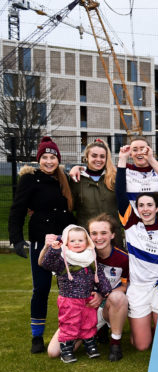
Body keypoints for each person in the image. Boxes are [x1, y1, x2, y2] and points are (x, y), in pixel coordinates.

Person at [8, 136, 76, 353]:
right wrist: (17, 239)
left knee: (72, 287)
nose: (49, 161)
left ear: (58, 160)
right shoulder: (30, 179)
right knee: (41, 288)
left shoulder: (64, 179)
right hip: (42, 242)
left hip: (65, 240)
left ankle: (74, 332)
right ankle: (37, 337)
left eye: (52, 157)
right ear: (39, 159)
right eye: (45, 157)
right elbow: (17, 210)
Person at [116, 145, 158, 351]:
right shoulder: (131, 224)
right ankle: (144, 327)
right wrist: (122, 160)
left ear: (157, 208)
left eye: (150, 205)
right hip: (139, 288)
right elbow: (120, 194)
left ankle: (157, 318)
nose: (145, 209)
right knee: (141, 346)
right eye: (141, 205)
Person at [46, 214, 130, 362]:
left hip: (109, 306)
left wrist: (101, 295)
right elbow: (46, 262)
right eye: (94, 233)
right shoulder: (78, 254)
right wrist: (48, 246)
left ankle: (115, 344)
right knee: (54, 352)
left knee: (118, 297)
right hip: (84, 307)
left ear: (112, 235)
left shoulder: (123, 258)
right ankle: (94, 334)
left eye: (103, 233)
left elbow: (125, 286)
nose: (98, 238)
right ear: (88, 236)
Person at [38, 225, 111, 363]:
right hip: (69, 300)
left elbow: (99, 276)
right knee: (69, 324)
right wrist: (53, 250)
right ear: (66, 243)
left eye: (80, 240)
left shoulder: (91, 258)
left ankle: (91, 346)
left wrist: (105, 290)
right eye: (72, 241)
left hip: (87, 300)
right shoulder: (62, 258)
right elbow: (46, 264)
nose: (76, 243)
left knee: (89, 323)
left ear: (87, 242)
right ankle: (66, 350)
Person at [68, 139, 122, 245]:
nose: (98, 159)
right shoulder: (76, 179)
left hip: (113, 239)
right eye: (94, 155)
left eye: (102, 156)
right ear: (86, 157)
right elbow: (70, 207)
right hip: (86, 238)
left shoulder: (115, 178)